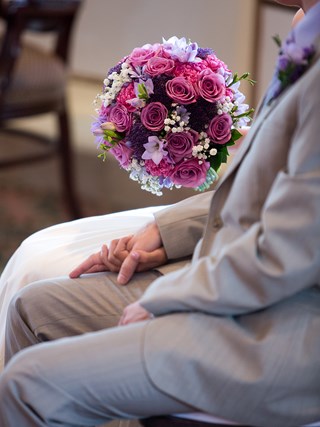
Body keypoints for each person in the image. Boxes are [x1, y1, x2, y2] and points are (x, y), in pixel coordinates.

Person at [0, 0, 320, 425]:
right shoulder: (307, 28)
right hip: (240, 266)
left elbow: (286, 250)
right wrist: (167, 231)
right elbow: (278, 186)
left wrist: (169, 296)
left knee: (27, 383)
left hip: (282, 323)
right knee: (32, 307)